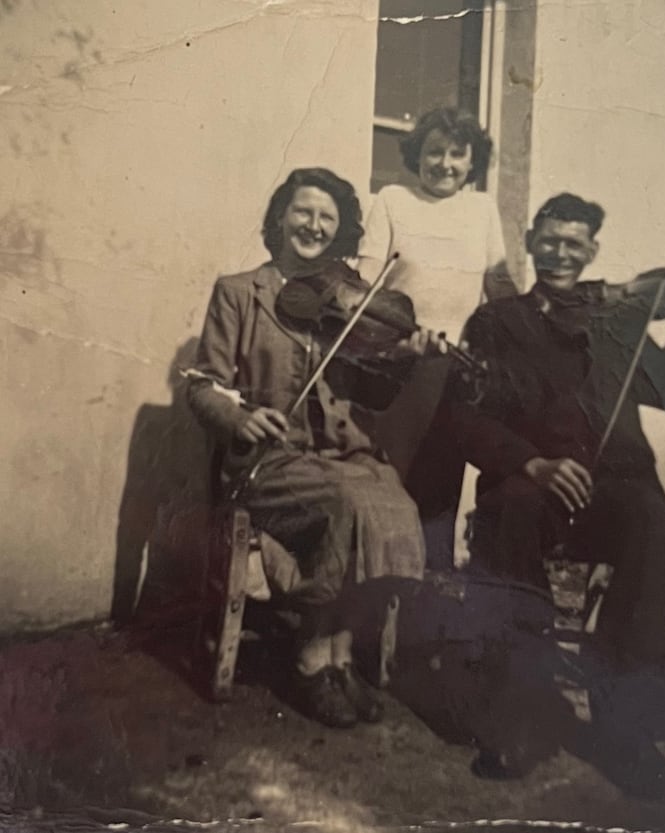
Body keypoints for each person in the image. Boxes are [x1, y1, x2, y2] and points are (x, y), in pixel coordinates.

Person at [429, 193, 665, 797]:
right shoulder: (495, 323)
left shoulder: (619, 317)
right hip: (530, 483)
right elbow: (463, 418)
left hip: (613, 488)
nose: (560, 253)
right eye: (549, 240)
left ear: (593, 251)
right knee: (511, 514)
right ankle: (521, 717)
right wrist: (532, 462)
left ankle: (626, 729)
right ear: (529, 243)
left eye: (574, 243)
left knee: (648, 514)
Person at [186, 168, 433, 729]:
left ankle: (340, 657)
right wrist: (241, 416)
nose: (314, 225)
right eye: (303, 212)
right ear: (280, 218)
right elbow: (202, 383)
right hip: (267, 462)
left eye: (328, 217)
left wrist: (404, 357)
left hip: (336, 458)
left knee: (394, 499)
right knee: (348, 504)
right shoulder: (238, 291)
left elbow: (371, 393)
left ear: (340, 230)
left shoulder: (344, 303)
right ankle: (309, 658)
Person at [359, 107, 518, 563]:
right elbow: (365, 289)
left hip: (456, 371)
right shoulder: (392, 199)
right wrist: (390, 342)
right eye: (434, 153)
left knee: (439, 494)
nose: (444, 164)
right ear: (417, 156)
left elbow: (500, 288)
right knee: (389, 483)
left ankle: (425, 607)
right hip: (397, 366)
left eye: (456, 154)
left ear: (472, 161)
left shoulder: (481, 208)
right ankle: (375, 607)